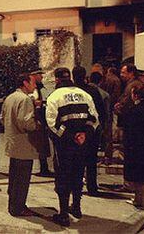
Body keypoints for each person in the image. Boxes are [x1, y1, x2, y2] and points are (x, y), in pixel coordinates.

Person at [46, 67, 98, 226]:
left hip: (65, 146)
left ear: (57, 79)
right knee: (78, 174)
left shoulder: (54, 97)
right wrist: (84, 135)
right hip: (83, 144)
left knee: (63, 176)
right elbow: (94, 119)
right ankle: (76, 207)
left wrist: (70, 136)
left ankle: (63, 214)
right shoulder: (85, 94)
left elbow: (52, 124)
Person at [1, 73, 39, 217]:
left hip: (12, 143)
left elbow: (2, 118)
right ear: (25, 83)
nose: (35, 86)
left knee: (14, 178)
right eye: (33, 83)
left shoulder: (10, 98)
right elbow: (26, 122)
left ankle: (13, 206)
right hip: (23, 144)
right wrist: (37, 125)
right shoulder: (25, 100)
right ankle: (19, 208)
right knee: (22, 179)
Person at [72, 66, 107, 196]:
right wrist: (99, 127)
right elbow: (101, 111)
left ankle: (77, 188)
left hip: (76, 131)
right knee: (91, 160)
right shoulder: (92, 90)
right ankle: (92, 187)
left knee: (77, 161)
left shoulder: (72, 92)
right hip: (91, 130)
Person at [29, 69, 53, 177]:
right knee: (36, 145)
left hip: (42, 120)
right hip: (35, 120)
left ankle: (44, 167)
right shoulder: (31, 90)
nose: (41, 77)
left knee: (42, 145)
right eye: (39, 75)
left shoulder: (42, 88)